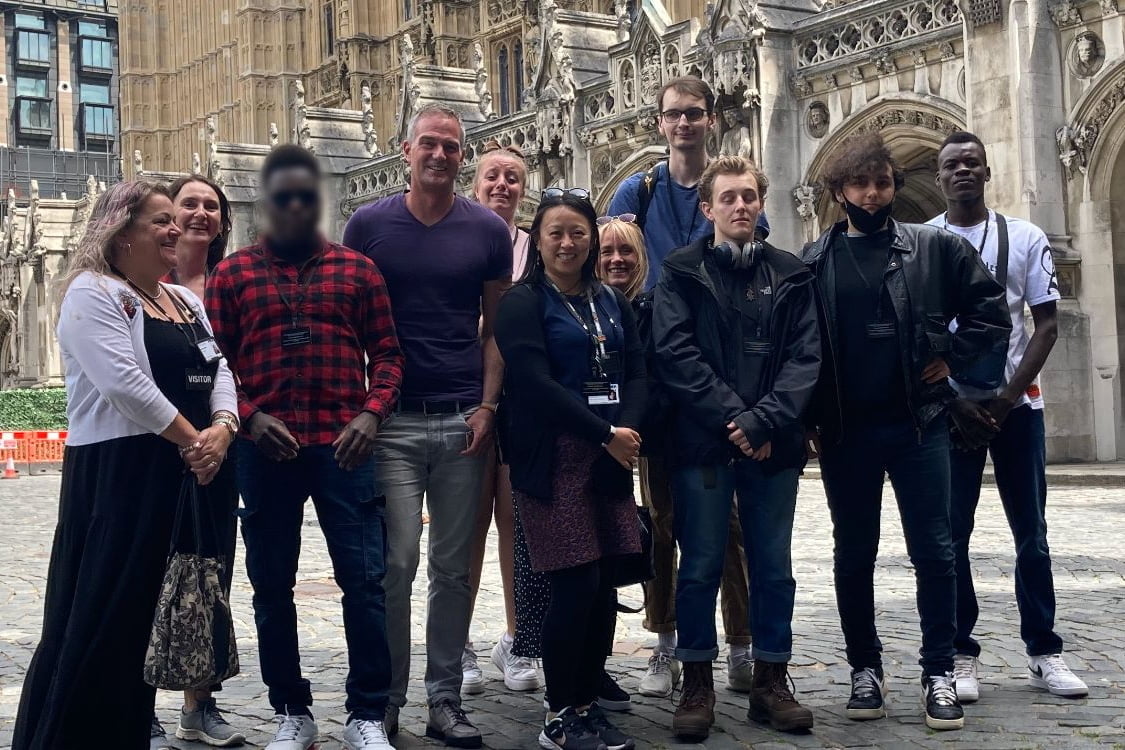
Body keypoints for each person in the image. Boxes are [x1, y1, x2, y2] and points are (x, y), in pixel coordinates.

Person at [13, 180, 238, 750]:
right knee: (98, 618)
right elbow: (124, 384)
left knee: (144, 623)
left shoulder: (182, 301)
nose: (174, 229)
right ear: (120, 232)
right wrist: (195, 441)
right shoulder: (93, 292)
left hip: (182, 476)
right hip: (120, 475)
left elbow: (220, 369)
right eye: (160, 220)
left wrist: (223, 428)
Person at [801, 134, 1011, 732]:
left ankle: (938, 671)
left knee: (936, 551)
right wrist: (809, 420)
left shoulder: (932, 247)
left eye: (884, 182)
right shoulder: (814, 260)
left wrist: (950, 355)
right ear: (840, 191)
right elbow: (802, 349)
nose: (874, 193)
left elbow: (991, 312)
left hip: (919, 425)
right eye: (862, 184)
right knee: (853, 553)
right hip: (847, 432)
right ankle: (865, 669)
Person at [207, 145, 404, 750]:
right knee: (271, 586)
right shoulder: (233, 274)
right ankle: (292, 709)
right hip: (265, 452)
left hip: (344, 447)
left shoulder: (357, 270)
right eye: (282, 196)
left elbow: (390, 357)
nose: (294, 205)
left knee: (365, 584)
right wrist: (249, 416)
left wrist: (372, 415)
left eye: (305, 196)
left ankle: (367, 713)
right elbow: (212, 363)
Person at [342, 104, 511, 748]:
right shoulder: (369, 224)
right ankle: (383, 701)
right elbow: (345, 318)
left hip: (462, 417)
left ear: (460, 155)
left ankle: (444, 698)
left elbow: (496, 328)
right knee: (396, 562)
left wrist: (488, 406)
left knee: (452, 569)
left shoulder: (487, 231)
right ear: (406, 149)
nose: (439, 155)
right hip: (392, 421)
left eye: (451, 146)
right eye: (429, 145)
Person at [652, 156, 820, 740]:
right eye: (728, 198)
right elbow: (675, 353)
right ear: (708, 209)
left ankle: (772, 680)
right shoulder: (681, 271)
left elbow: (806, 360)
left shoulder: (792, 274)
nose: (740, 206)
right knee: (698, 566)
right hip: (705, 445)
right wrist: (735, 419)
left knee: (773, 567)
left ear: (760, 203)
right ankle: (696, 681)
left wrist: (764, 422)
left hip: (772, 445)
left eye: (749, 196)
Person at [607, 75, 755, 697]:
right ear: (660, 122)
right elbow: (611, 267)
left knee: (729, 527)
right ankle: (663, 642)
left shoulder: (731, 189)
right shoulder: (638, 190)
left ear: (711, 118)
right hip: (663, 387)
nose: (685, 124)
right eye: (675, 115)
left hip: (721, 382)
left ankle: (743, 645)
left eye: (695, 113)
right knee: (663, 519)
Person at [928, 131, 1088, 701]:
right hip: (953, 410)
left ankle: (1045, 651)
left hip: (1016, 407)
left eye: (973, 162)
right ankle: (960, 653)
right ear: (940, 175)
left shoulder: (1024, 237)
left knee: (1033, 535)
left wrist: (1003, 399)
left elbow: (1045, 323)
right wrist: (956, 400)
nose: (963, 171)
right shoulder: (923, 242)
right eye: (952, 165)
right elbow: (918, 333)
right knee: (953, 535)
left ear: (987, 172)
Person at [496, 188, 646, 750]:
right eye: (556, 232)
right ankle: (560, 713)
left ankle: (587, 701)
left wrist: (626, 431)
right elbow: (533, 384)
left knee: (605, 584)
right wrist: (606, 433)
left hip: (610, 453)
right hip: (554, 455)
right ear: (538, 239)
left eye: (578, 232)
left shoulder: (610, 300)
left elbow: (637, 371)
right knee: (574, 583)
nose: (567, 242)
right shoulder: (522, 302)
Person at [151, 173, 245, 749]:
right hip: (153, 449)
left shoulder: (228, 281)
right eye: (190, 204)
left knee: (210, 574)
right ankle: (142, 704)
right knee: (149, 572)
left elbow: (229, 366)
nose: (201, 214)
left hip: (219, 446)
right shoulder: (138, 282)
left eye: (212, 206)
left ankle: (199, 701)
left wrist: (224, 430)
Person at [462, 141, 544, 695]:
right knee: (464, 525)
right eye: (493, 176)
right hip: (463, 395)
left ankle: (518, 641)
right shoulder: (455, 240)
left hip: (524, 401)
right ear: (476, 182)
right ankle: (457, 643)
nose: (502, 186)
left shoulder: (535, 248)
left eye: (513, 177)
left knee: (517, 525)